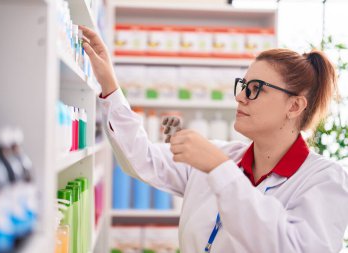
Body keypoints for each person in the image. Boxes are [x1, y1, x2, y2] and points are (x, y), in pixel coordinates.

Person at [80, 25, 348, 253]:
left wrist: (221, 170)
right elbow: (141, 159)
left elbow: (291, 247)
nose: (240, 97)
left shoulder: (324, 179)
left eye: (255, 89)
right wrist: (110, 86)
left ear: (294, 107)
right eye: (242, 86)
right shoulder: (221, 156)